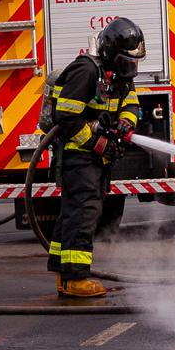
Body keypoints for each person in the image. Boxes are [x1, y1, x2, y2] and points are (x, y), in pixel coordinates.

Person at [47, 18, 144, 298]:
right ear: (112, 52)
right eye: (127, 60)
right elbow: (64, 116)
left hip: (95, 160)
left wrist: (126, 123)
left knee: (73, 214)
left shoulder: (118, 76)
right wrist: (96, 142)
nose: (132, 67)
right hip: (79, 158)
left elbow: (131, 103)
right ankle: (75, 279)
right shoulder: (86, 71)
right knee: (83, 214)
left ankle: (62, 273)